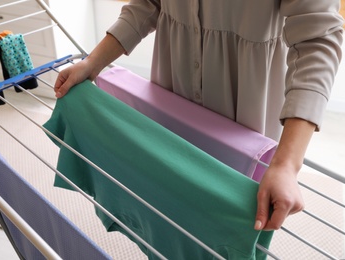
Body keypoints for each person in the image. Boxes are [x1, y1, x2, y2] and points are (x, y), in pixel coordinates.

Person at [54, 0, 344, 231]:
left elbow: (318, 41)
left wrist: (286, 164)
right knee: (169, 201)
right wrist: (93, 63)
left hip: (245, 110)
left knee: (232, 219)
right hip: (171, 92)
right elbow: (149, 3)